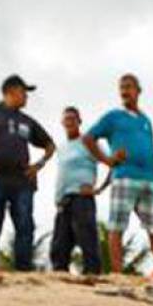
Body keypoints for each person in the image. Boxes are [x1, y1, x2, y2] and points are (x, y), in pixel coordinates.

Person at [83, 73, 153, 278]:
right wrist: (107, 160)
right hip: (125, 177)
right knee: (117, 226)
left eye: (128, 86)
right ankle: (117, 273)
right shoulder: (113, 117)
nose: (124, 91)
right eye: (121, 87)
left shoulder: (146, 121)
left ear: (138, 91)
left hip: (149, 180)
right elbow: (88, 138)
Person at [0, 74, 56, 271]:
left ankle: (23, 271)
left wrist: (38, 165)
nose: (26, 98)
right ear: (11, 91)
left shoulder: (27, 121)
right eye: (24, 93)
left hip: (22, 181)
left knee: (25, 226)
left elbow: (50, 145)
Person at [50, 106, 109, 274]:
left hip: (82, 199)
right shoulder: (61, 148)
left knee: (87, 240)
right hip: (63, 200)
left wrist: (99, 188)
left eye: (73, 119)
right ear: (62, 122)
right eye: (66, 119)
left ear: (79, 122)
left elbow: (112, 164)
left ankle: (93, 275)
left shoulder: (88, 143)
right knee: (59, 244)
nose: (69, 122)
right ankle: (59, 277)